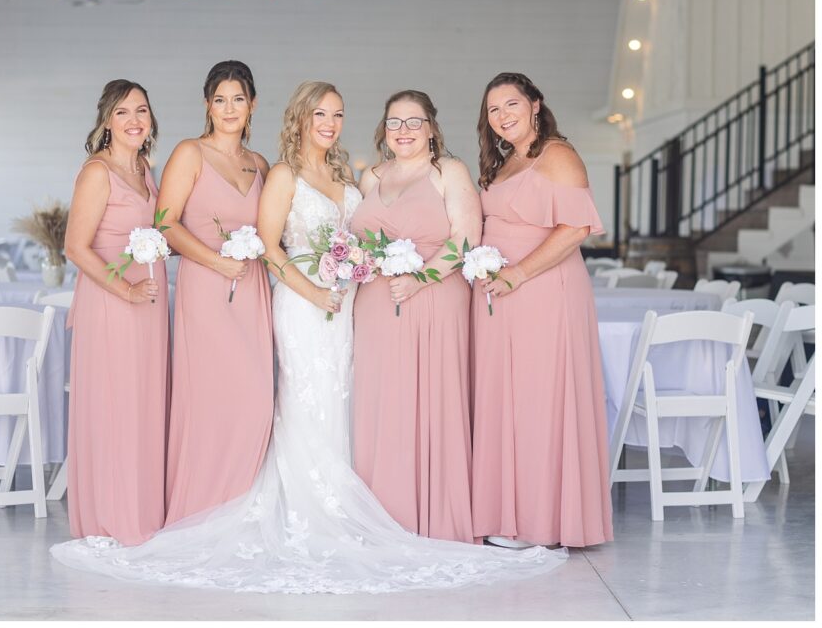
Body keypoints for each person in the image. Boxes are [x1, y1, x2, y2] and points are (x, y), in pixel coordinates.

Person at [49, 82, 566, 592]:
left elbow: (372, 236)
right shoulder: (283, 174)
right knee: (301, 399)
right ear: (299, 118)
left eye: (338, 115)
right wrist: (312, 293)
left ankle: (344, 503)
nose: (329, 124)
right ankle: (301, 508)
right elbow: (271, 247)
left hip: (343, 309)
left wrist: (355, 271)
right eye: (320, 114)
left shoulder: (349, 176)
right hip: (301, 304)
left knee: (343, 402)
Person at [470, 72, 613, 548]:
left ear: (535, 104)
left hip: (543, 292)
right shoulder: (507, 160)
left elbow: (576, 228)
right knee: (505, 402)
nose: (502, 115)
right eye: (493, 109)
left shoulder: (558, 154)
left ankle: (541, 521)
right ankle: (507, 514)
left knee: (538, 400)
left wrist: (518, 273)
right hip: (501, 300)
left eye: (511, 104)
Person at [348, 90, 480, 543]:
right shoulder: (371, 176)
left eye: (413, 121)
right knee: (380, 403)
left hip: (433, 300)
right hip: (375, 307)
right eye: (394, 122)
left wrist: (421, 279)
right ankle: (383, 516)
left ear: (431, 126)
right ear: (384, 129)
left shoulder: (449, 172)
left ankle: (433, 515)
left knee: (429, 399)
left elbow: (465, 241)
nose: (403, 131)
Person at [156, 60, 274, 525]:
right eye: (220, 100)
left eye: (238, 99)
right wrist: (216, 261)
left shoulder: (261, 164)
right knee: (212, 399)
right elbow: (165, 224)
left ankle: (244, 508)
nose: (229, 109)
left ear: (252, 105)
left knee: (256, 400)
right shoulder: (190, 153)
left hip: (253, 294)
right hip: (207, 289)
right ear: (208, 105)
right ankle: (202, 510)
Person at [62, 79, 169, 545]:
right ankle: (110, 518)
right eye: (123, 112)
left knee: (144, 406)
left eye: (141, 111)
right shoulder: (96, 172)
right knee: (114, 407)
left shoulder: (146, 169)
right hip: (111, 303)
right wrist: (124, 291)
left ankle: (142, 512)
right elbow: (74, 247)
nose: (133, 120)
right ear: (108, 120)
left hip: (150, 303)